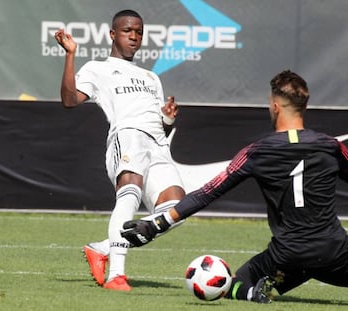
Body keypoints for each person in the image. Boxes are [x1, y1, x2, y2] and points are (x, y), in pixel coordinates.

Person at [121, 70, 348, 303]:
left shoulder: (256, 152)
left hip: (287, 257)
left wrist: (156, 224)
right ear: (304, 107)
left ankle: (253, 294)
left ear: (276, 107)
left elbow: (207, 193)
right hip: (335, 252)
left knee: (232, 284)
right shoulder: (331, 147)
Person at [54, 9, 185, 291]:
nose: (134, 37)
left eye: (139, 32)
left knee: (177, 210)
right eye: (128, 31)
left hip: (157, 145)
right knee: (130, 196)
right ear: (113, 34)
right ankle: (117, 276)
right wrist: (70, 55)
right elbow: (68, 100)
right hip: (127, 137)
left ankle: (103, 247)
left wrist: (168, 117)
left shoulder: (152, 78)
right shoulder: (97, 68)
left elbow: (161, 127)